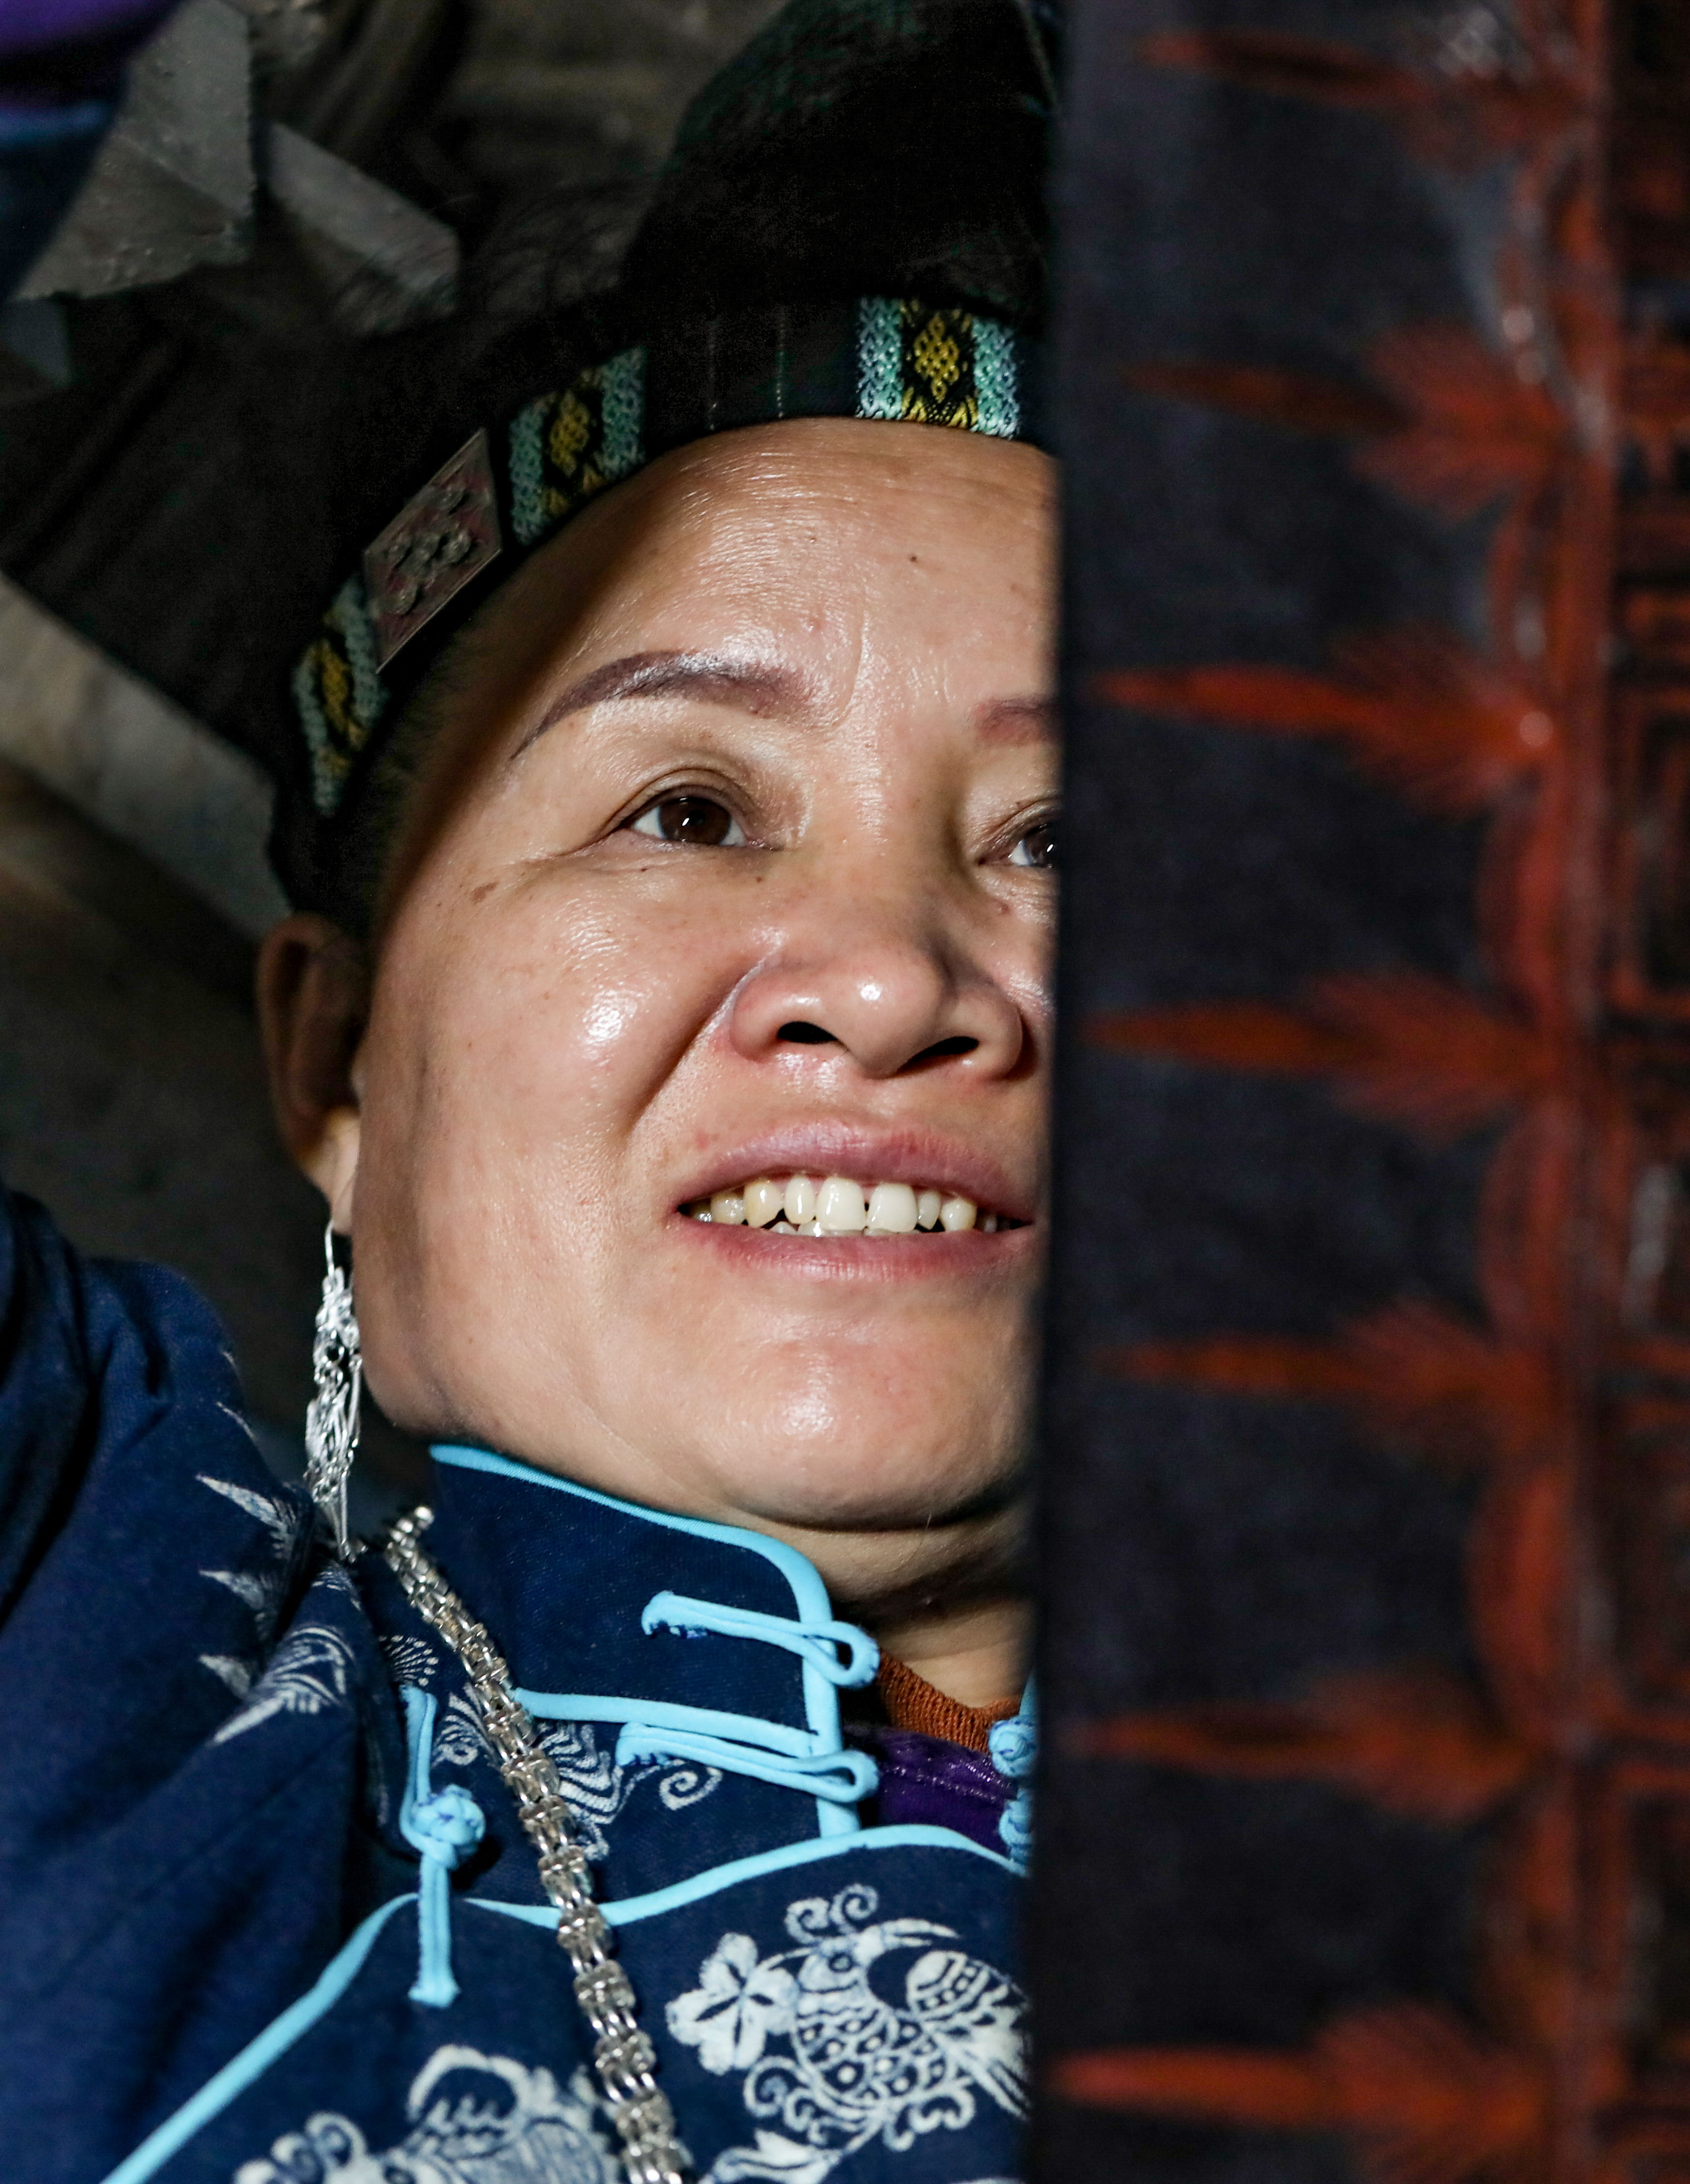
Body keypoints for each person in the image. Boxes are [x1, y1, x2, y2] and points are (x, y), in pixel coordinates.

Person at [0, 5, 1061, 2179]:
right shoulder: (74, 1650)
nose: (888, 978)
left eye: (1075, 843)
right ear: (339, 1062)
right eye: (684, 809)